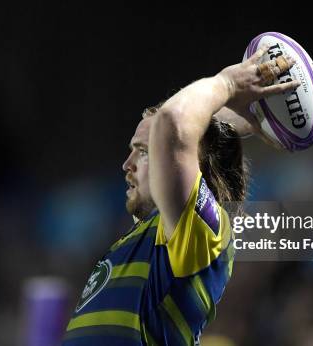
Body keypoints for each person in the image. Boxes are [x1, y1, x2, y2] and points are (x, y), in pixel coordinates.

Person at [62, 46, 300, 345]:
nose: (126, 165)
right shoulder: (142, 237)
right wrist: (227, 119)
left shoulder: (201, 229)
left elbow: (172, 122)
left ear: (191, 164)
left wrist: (227, 85)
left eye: (145, 151)